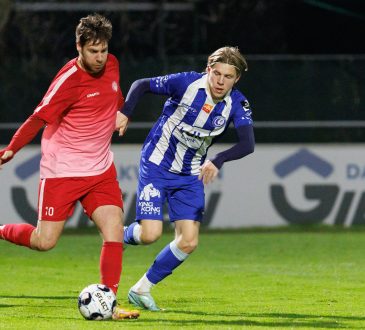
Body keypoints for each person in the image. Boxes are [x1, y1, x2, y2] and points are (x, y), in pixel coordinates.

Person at [0, 13, 139, 320]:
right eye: (93, 51)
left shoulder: (113, 64)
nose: (100, 57)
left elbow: (114, 94)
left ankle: (110, 304)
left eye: (103, 50)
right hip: (62, 170)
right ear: (79, 46)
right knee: (44, 241)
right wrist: (11, 149)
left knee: (114, 228)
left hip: (100, 170)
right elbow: (37, 118)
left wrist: (122, 111)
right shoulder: (68, 81)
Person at [116, 46, 255, 311]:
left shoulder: (237, 103)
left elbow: (247, 144)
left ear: (236, 79)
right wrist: (125, 112)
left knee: (189, 241)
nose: (220, 81)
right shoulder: (186, 83)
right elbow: (141, 85)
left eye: (228, 76)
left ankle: (141, 289)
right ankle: (118, 236)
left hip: (190, 174)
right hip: (157, 164)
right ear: (208, 70)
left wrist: (218, 159)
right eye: (216, 73)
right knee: (150, 234)